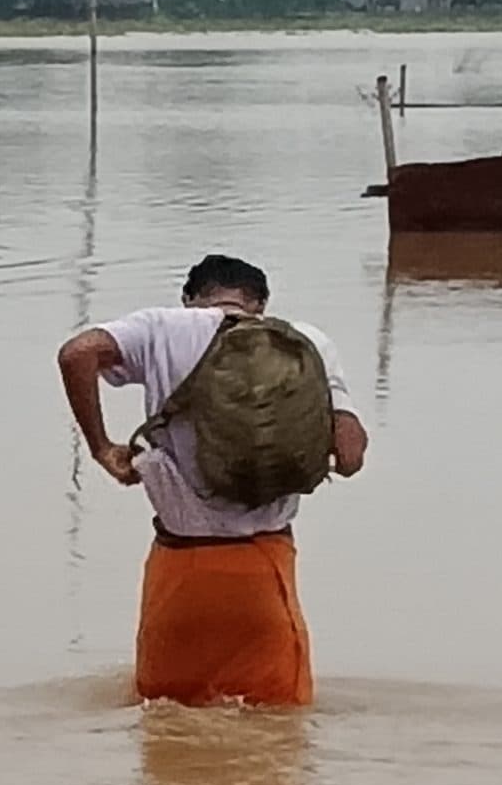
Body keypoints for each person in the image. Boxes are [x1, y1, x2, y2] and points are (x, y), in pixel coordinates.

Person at [56, 254, 367, 708]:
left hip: (181, 573)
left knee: (164, 724)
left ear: (189, 298)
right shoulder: (304, 344)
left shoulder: (162, 328)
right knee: (276, 730)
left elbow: (77, 353)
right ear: (261, 303)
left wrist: (102, 447)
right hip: (265, 574)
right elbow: (351, 455)